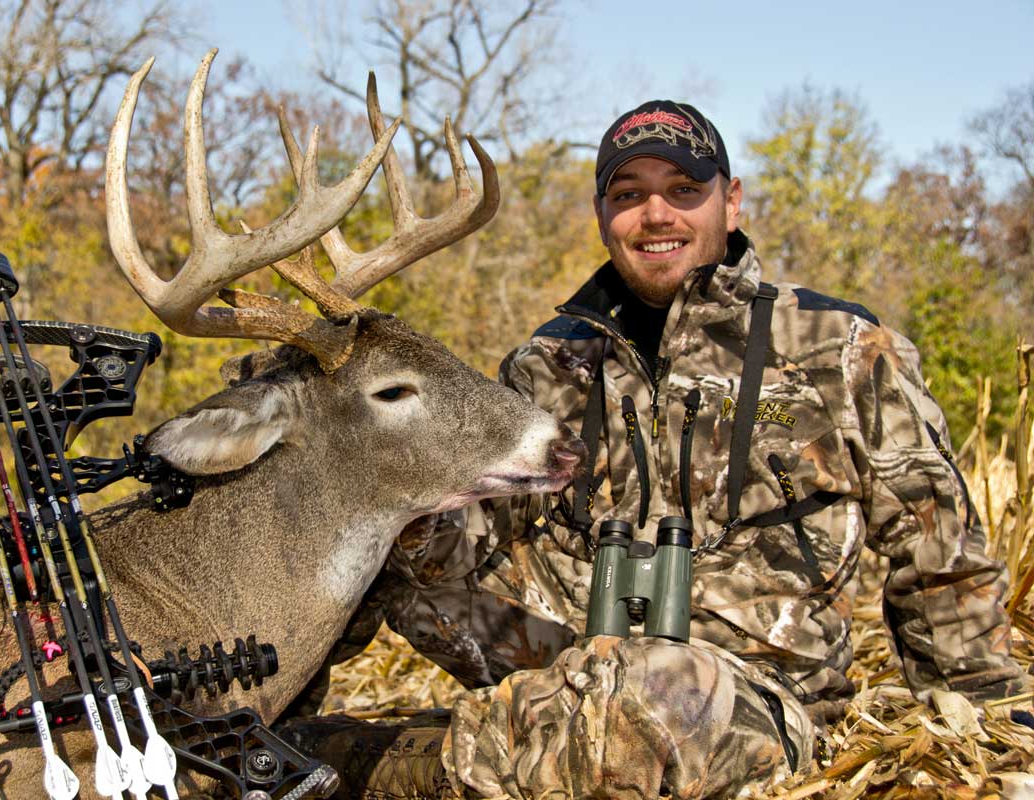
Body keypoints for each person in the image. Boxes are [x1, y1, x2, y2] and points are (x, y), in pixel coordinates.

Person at [277, 101, 1029, 799]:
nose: (655, 212)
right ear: (604, 214)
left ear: (730, 201)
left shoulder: (844, 352)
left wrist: (991, 724)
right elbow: (473, 543)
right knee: (377, 524)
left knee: (642, 705)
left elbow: (941, 560)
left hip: (750, 693)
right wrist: (389, 497)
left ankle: (343, 769)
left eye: (684, 187)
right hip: (563, 657)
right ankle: (258, 730)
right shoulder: (542, 366)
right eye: (629, 192)